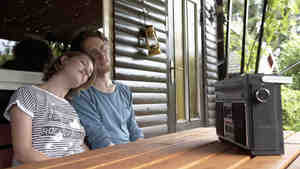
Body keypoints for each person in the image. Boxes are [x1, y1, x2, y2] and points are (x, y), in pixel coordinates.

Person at [3, 51, 96, 166]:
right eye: (83, 63)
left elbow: (79, 145)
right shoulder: (28, 94)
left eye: (89, 73)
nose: (86, 71)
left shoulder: (70, 109)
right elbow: (24, 153)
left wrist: (92, 162)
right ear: (64, 60)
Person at [70, 30, 144, 149]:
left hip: (132, 152)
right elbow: (99, 139)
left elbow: (134, 129)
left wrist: (141, 149)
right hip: (108, 156)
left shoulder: (123, 90)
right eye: (94, 53)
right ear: (84, 59)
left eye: (103, 48)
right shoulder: (81, 94)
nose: (102, 55)